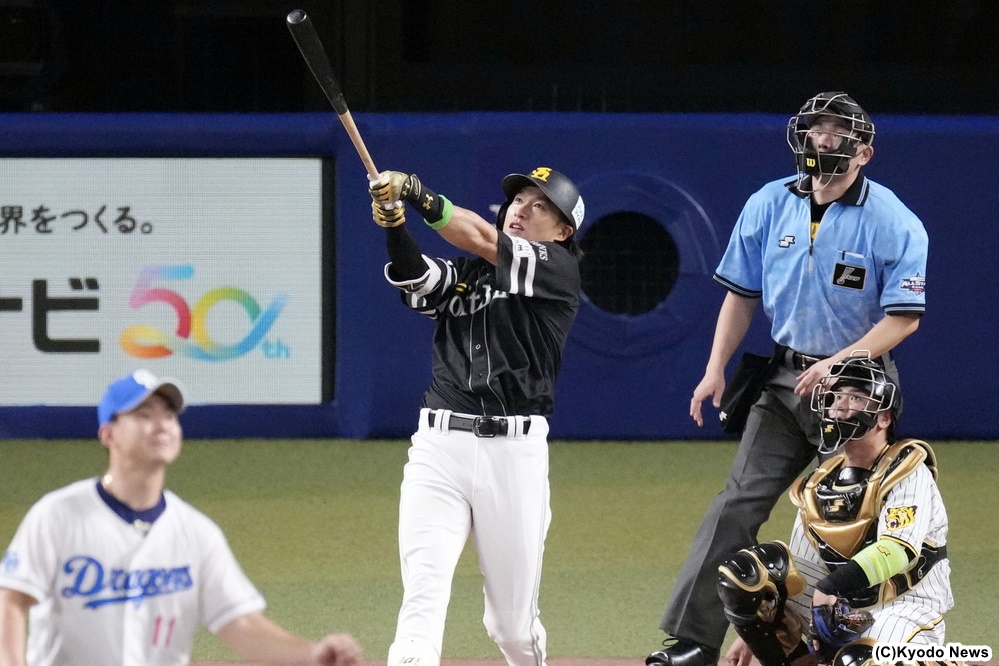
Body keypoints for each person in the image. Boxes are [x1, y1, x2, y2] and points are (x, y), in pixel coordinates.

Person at [648, 91, 929, 666]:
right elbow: (741, 296)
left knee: (861, 519)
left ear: (864, 152)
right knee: (736, 505)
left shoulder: (894, 220)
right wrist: (714, 368)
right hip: (784, 382)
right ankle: (692, 643)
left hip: (859, 392)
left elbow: (903, 318)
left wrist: (842, 363)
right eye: (815, 130)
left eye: (836, 133)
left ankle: (873, 642)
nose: (823, 141)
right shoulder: (768, 203)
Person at [367, 166, 585, 666]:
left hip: (514, 456)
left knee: (512, 629)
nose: (522, 210)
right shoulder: (470, 275)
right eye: (518, 201)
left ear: (563, 231)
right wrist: (396, 225)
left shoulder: (558, 270)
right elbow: (416, 279)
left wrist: (420, 194)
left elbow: (481, 236)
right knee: (422, 599)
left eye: (540, 206)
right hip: (439, 447)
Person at [0, 369, 362, 666]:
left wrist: (313, 654)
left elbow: (243, 624)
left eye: (169, 414)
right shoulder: (59, 515)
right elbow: (11, 600)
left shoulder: (196, 533)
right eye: (143, 414)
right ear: (108, 434)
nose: (161, 424)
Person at [716, 354, 952, 666]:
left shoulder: (907, 469)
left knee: (859, 661)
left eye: (855, 397)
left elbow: (897, 551)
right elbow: (799, 567)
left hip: (906, 604)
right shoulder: (820, 483)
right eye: (836, 396)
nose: (840, 405)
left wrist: (828, 590)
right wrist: (755, 627)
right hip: (842, 604)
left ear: (884, 418)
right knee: (745, 577)